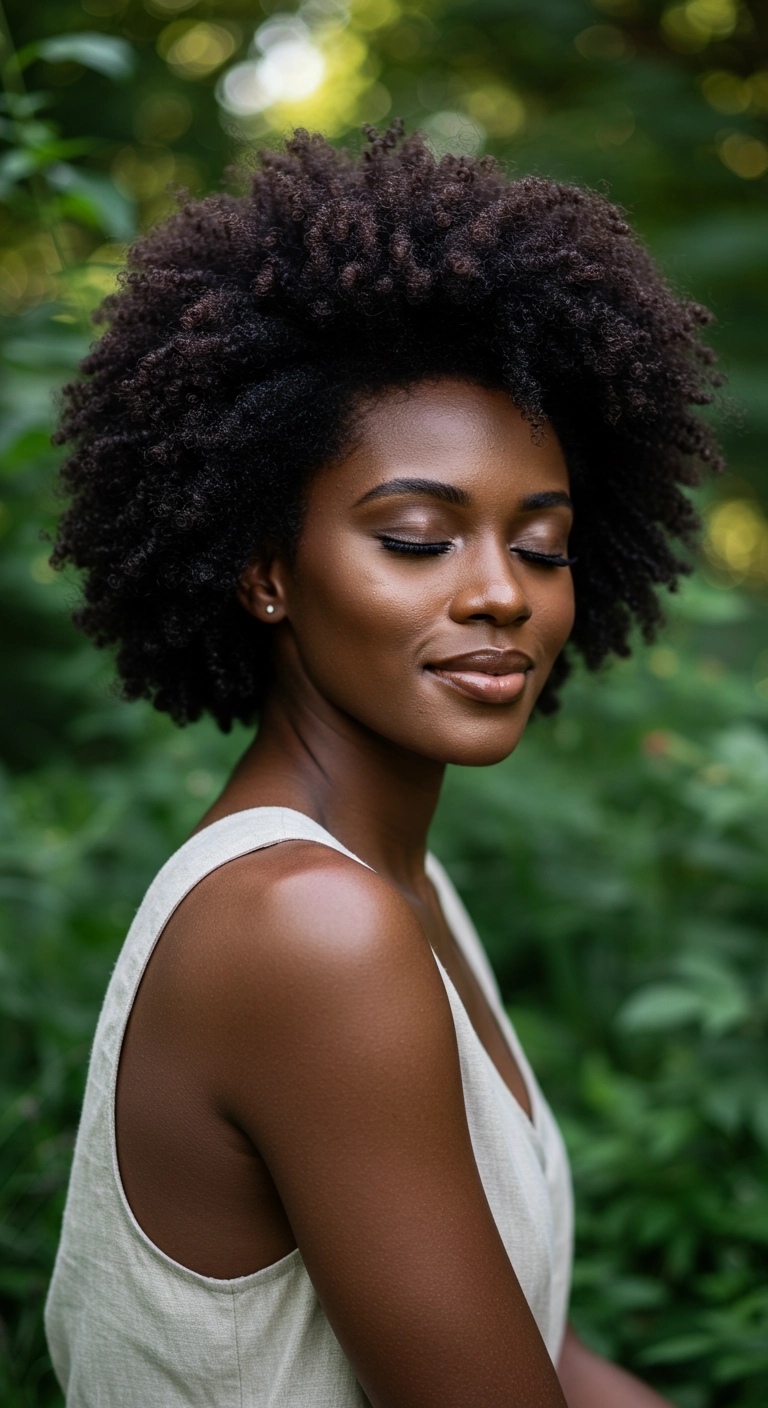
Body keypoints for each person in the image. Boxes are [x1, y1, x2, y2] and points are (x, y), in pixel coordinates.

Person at [44, 125, 721, 1407]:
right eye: (416, 537)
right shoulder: (310, 925)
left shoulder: (395, 888)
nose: (498, 594)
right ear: (263, 571)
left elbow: (544, 1354)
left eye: (543, 545)